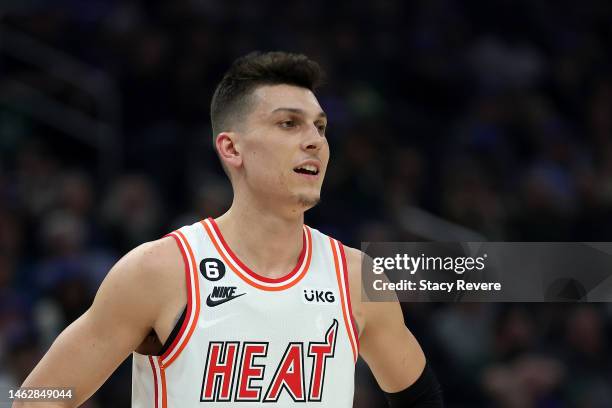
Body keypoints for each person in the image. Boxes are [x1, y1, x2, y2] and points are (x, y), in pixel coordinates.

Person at [15, 51, 443, 407]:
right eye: (289, 123)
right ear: (232, 147)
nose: (314, 139)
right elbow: (39, 397)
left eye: (320, 126)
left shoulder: (356, 277)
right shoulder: (160, 271)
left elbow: (420, 398)